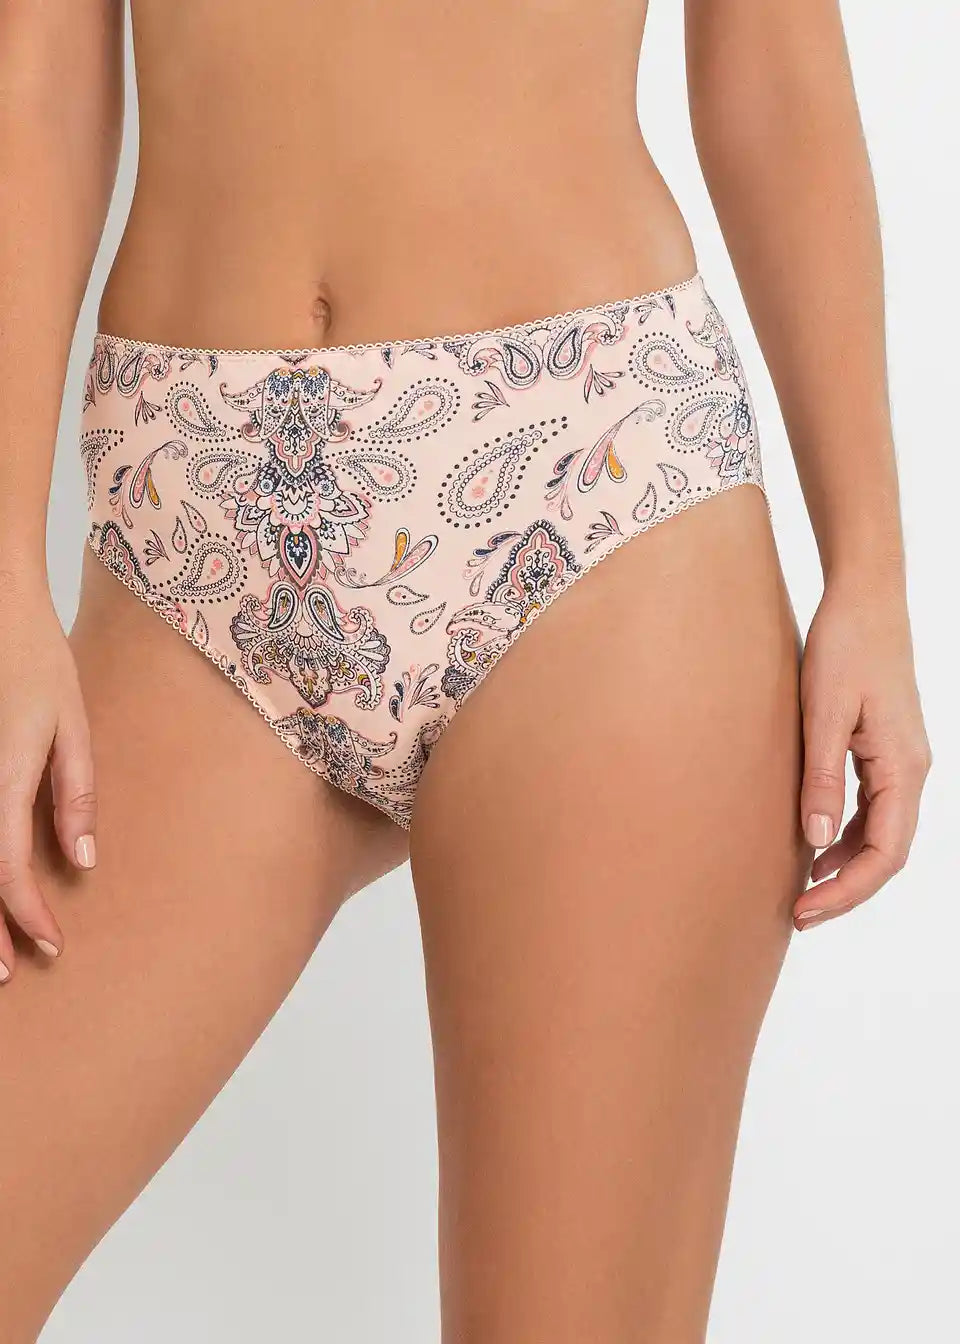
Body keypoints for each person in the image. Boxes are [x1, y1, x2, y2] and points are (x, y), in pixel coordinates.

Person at [0, 2, 931, 1340]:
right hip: (185, 522)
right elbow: (34, 75)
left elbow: (773, 69)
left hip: (592, 479)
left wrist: (872, 574)